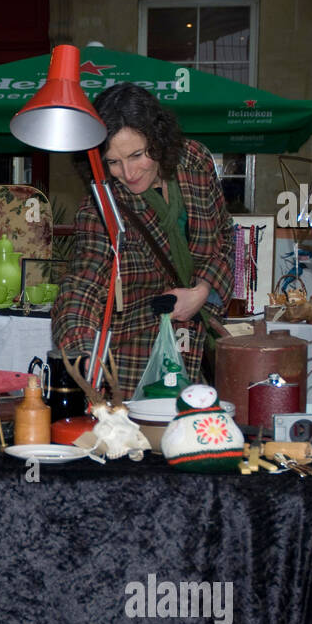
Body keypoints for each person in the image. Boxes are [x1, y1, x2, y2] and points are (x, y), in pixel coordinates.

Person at [53, 83, 234, 399]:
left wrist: (202, 292)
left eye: (137, 155)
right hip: (135, 364)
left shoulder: (195, 162)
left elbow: (223, 240)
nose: (129, 172)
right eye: (113, 161)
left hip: (200, 356)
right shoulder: (101, 206)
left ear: (159, 140)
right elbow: (84, 284)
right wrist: (81, 354)